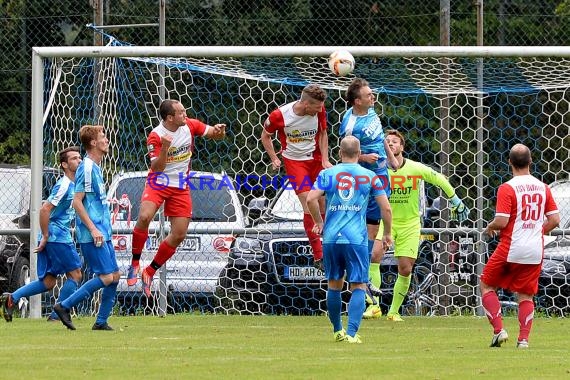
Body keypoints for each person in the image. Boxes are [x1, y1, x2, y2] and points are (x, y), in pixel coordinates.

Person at [126, 99, 226, 296]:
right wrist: (165, 148)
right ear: (170, 118)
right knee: (144, 217)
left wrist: (218, 131)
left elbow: (214, 134)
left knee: (179, 234)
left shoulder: (189, 125)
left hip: (180, 186)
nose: (185, 114)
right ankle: (135, 262)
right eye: (181, 112)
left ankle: (150, 270)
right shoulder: (156, 136)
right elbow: (157, 168)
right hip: (158, 182)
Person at [372, 129, 469, 321]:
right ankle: (373, 306)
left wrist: (455, 200)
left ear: (402, 147)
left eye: (395, 141)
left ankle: (393, 312)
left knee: (406, 268)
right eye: (388, 141)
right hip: (385, 221)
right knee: (374, 255)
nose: (391, 144)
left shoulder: (415, 168)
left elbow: (438, 178)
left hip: (409, 224)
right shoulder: (379, 169)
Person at [306, 136, 392, 344]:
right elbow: (386, 208)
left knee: (334, 284)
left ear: (339, 152)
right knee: (359, 285)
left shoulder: (327, 174)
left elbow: (310, 198)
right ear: (359, 151)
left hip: (331, 238)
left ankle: (338, 331)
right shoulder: (370, 176)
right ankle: (352, 334)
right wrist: (387, 233)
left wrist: (319, 222)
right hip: (356, 239)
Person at [480, 143, 559, 348]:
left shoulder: (508, 188)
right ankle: (523, 340)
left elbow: (502, 221)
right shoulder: (543, 187)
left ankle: (499, 330)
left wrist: (490, 226)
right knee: (526, 294)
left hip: (511, 246)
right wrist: (536, 231)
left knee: (487, 284)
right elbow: (555, 219)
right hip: (534, 249)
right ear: (531, 162)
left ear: (509, 163)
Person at [338, 78, 399, 318]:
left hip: (381, 176)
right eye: (368, 95)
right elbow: (345, 152)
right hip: (363, 181)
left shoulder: (372, 111)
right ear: (357, 101)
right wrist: (363, 158)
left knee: (372, 231)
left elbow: (381, 135)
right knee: (364, 232)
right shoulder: (349, 123)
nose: (372, 97)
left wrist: (391, 158)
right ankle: (358, 279)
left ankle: (361, 280)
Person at [2, 147, 83, 323]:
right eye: (75, 158)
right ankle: (56, 315)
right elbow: (45, 209)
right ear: (64, 164)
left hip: (55, 236)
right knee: (76, 274)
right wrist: (45, 235)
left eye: (79, 157)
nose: (79, 160)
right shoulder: (63, 185)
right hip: (57, 237)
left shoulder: (74, 184)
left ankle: (11, 299)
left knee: (48, 282)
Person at [53, 125, 120, 331]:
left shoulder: (95, 167)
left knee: (115, 277)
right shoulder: (88, 167)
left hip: (103, 232)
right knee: (106, 277)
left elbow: (93, 201)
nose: (107, 139)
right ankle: (64, 306)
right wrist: (93, 229)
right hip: (93, 234)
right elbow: (77, 201)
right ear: (93, 143)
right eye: (103, 136)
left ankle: (101, 322)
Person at [260, 84, 332, 268]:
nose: (320, 109)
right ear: (306, 104)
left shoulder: (319, 110)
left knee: (322, 203)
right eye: (317, 106)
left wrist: (325, 159)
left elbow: (323, 133)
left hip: (315, 159)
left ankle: (326, 242)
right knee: (309, 201)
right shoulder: (280, 115)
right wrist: (274, 158)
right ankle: (319, 255)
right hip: (294, 162)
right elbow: (265, 136)